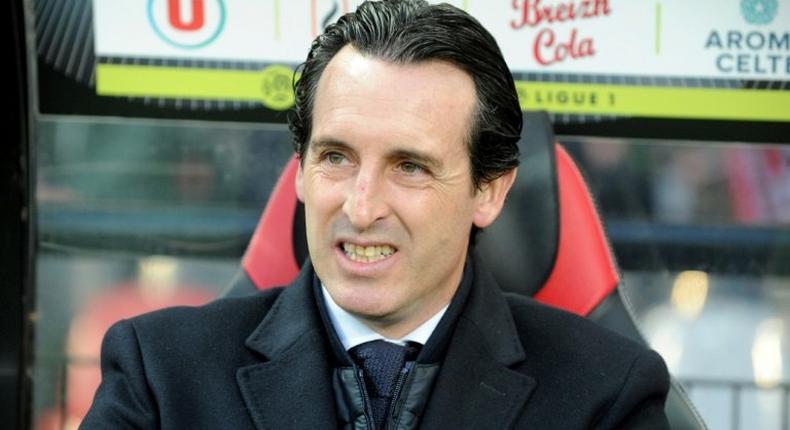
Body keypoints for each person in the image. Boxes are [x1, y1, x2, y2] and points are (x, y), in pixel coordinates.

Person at [82, 1, 670, 428]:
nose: (361, 208)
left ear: (489, 191)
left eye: (409, 166)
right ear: (302, 171)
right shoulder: (160, 374)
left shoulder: (606, 395)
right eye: (336, 157)